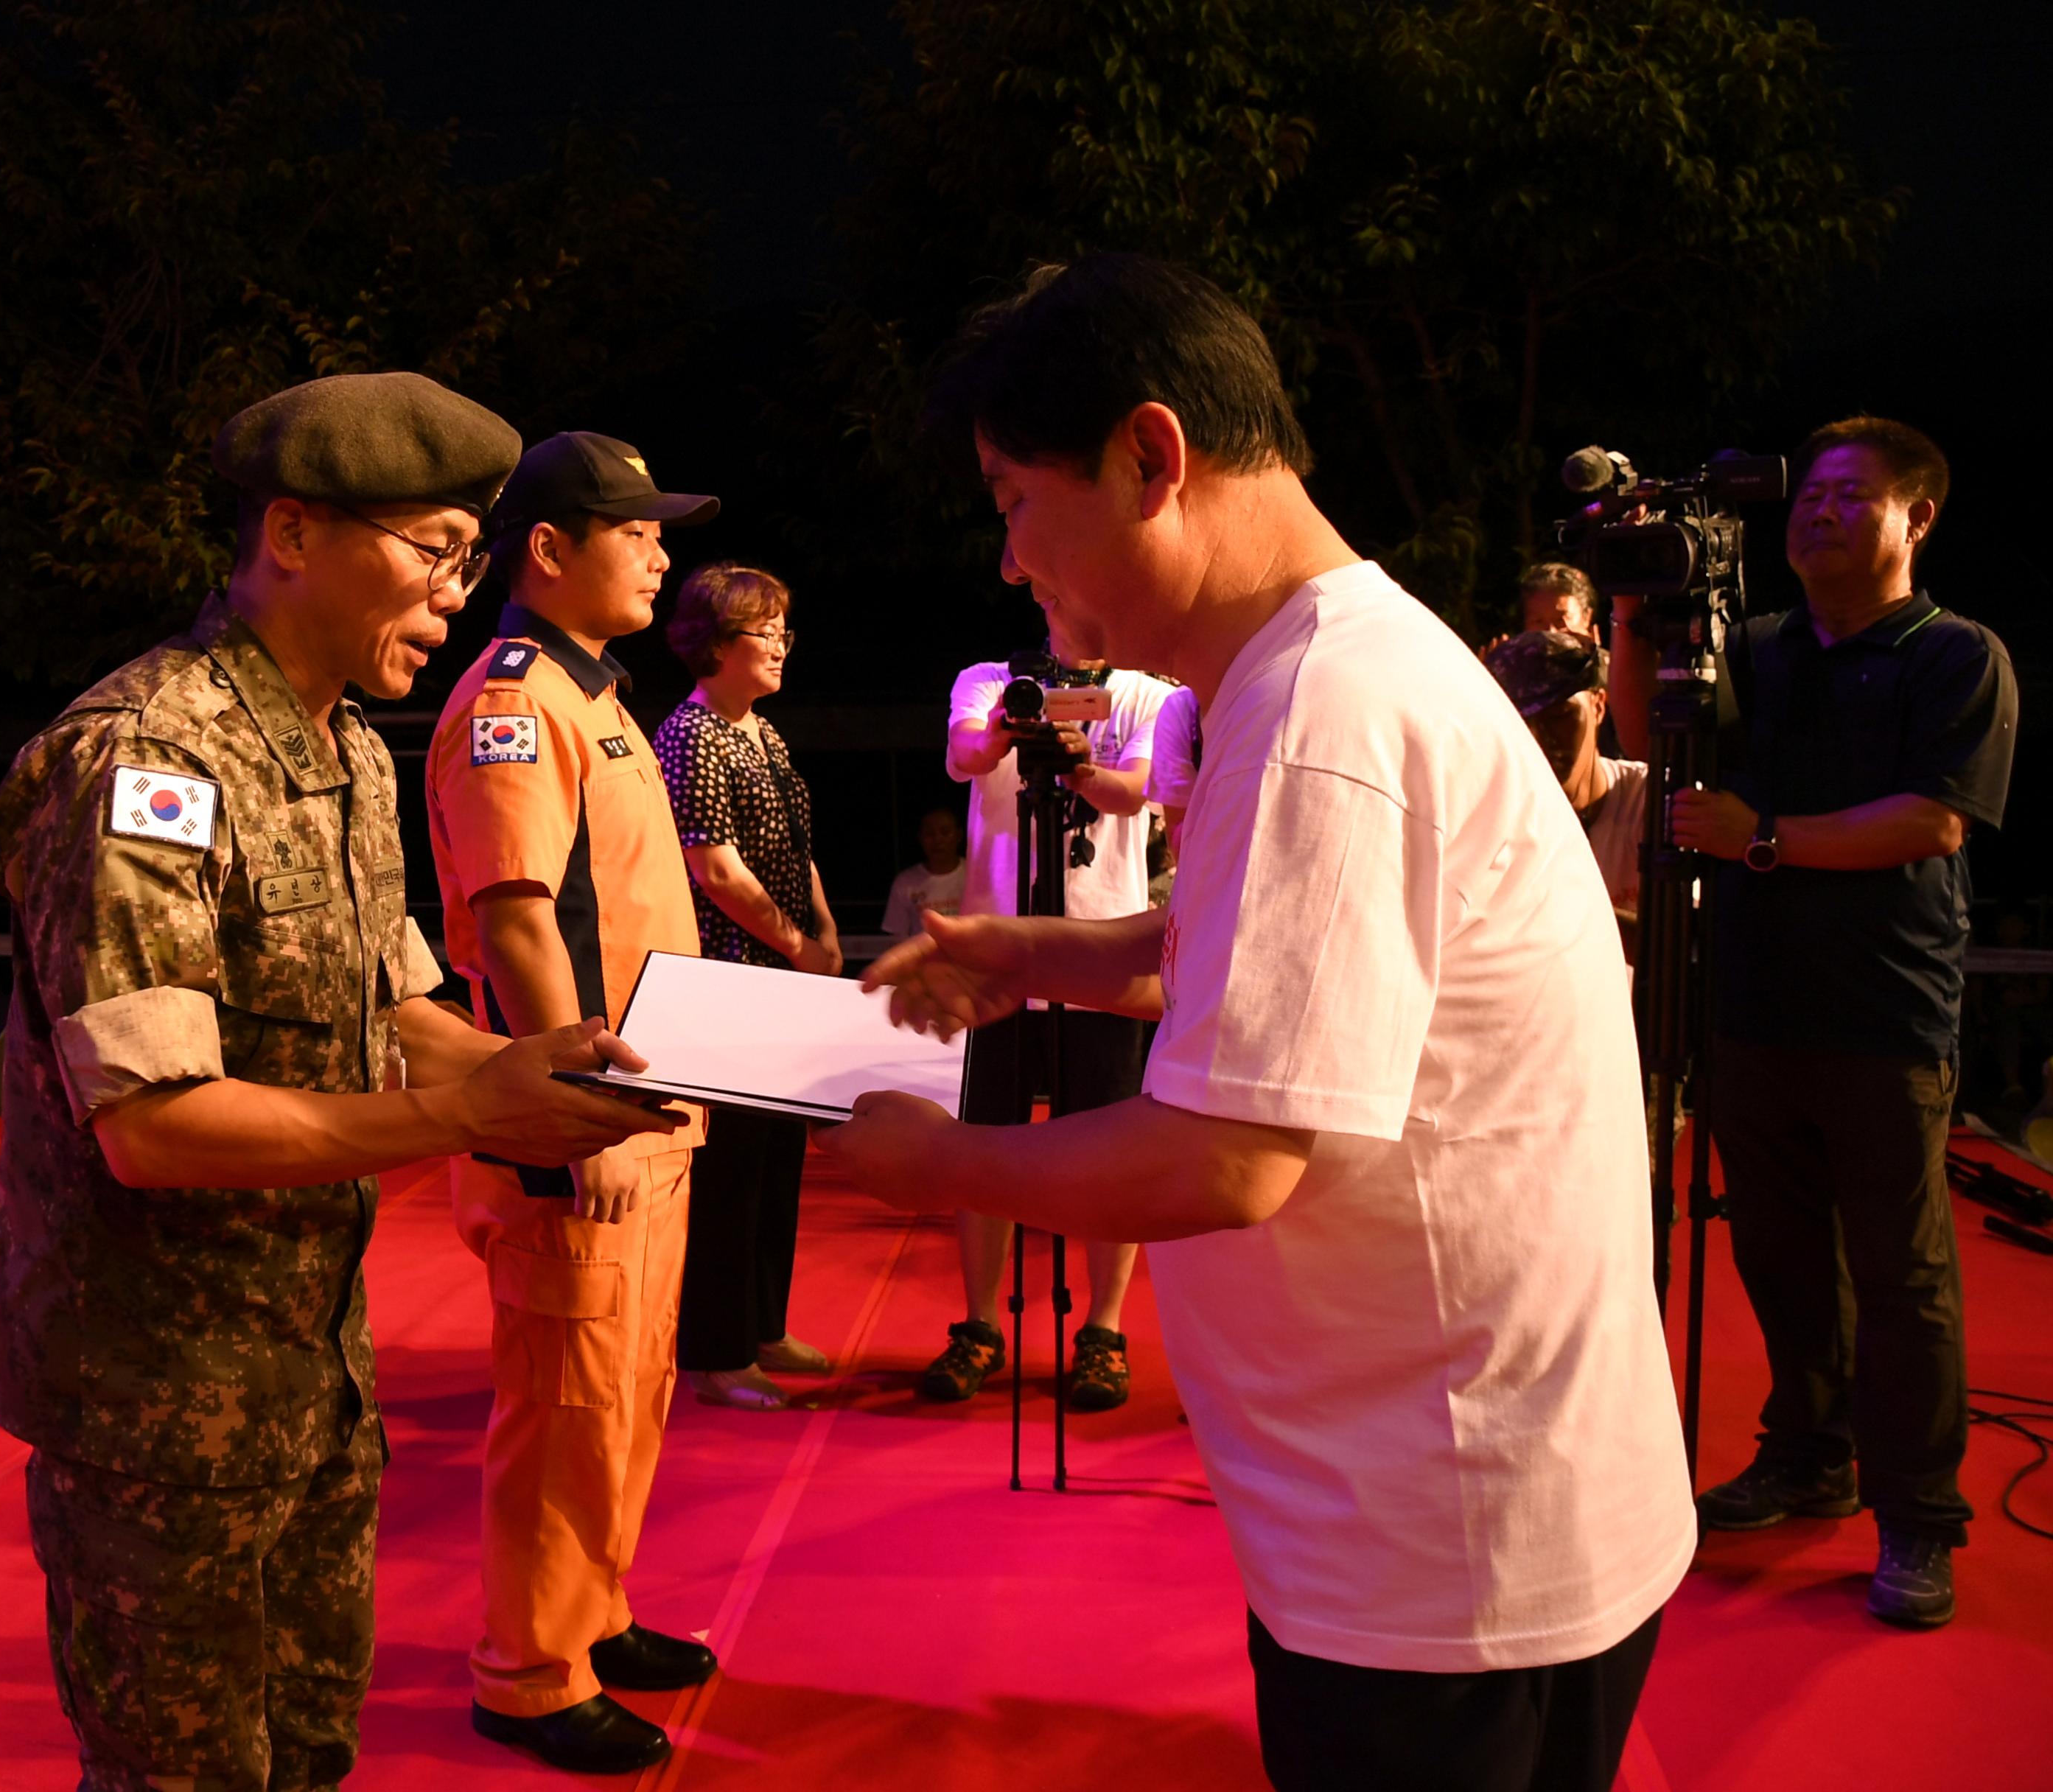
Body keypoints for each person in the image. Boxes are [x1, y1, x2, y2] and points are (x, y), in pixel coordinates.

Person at [825, 254, 1694, 1792]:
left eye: (1018, 500)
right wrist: (1038, 952)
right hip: (1458, 1496)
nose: (1014, 561)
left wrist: (937, 1167)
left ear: (1152, 459)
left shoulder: (1317, 716)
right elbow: (1262, 965)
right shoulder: (1337, 665)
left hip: (1439, 1543)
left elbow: (1228, 1160)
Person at [0, 373, 676, 1792]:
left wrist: (532, 1068)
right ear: (290, 536)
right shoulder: (143, 763)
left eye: (468, 559)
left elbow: (395, 1004)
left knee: (308, 1752)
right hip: (157, 1403)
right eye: (432, 551)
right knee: (180, 1772)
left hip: (311, 1378)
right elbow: (151, 1126)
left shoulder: (348, 749)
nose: (452, 593)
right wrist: (472, 1114)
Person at [1611, 416, 2017, 1629]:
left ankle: (1916, 1516)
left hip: (1884, 1011)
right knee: (1775, 1252)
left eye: (1848, 495)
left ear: (1915, 516)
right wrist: (1639, 608)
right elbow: (1647, 744)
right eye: (1808, 495)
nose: (1816, 511)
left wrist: (1765, 839)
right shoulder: (1763, 646)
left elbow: (1933, 821)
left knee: (1901, 1273)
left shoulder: (1953, 654)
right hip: (1751, 1002)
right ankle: (1808, 1452)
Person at [425, 430, 722, 1776]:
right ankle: (528, 1671)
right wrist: (573, 1102)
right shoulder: (514, 696)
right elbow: (518, 921)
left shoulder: (591, 693)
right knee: (564, 1400)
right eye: (635, 528)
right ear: (547, 550)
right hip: (578, 1114)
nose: (662, 550)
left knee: (624, 1386)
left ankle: (589, 1614)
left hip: (644, 1109)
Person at [912, 631, 1175, 1415]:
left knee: (1109, 1152)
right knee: (983, 1143)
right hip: (996, 957)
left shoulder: (1144, 694)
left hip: (1101, 959)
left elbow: (1136, 791)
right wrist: (1004, 733)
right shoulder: (988, 677)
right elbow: (963, 755)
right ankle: (981, 1324)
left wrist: (1078, 765)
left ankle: (1102, 1328)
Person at [653, 560, 842, 1411]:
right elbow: (715, 870)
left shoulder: (763, 732)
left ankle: (765, 1322)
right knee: (729, 1173)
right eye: (766, 632)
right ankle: (716, 1351)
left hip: (783, 973)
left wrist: (827, 933)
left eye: (782, 631)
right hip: (730, 979)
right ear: (717, 644)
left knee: (777, 1160)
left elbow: (796, 847)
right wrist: (798, 943)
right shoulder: (690, 735)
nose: (780, 648)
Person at [1485, 629, 1648, 924]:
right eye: (1521, 726)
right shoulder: (1492, 819)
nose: (1539, 739)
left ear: (1598, 707)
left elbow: (1686, 939)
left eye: (1559, 716)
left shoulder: (1648, 801)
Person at [883, 807, 969, 940]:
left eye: (945, 833)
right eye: (930, 834)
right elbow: (898, 936)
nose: (938, 840)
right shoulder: (906, 882)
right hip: (924, 958)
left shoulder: (974, 875)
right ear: (921, 838)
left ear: (958, 836)